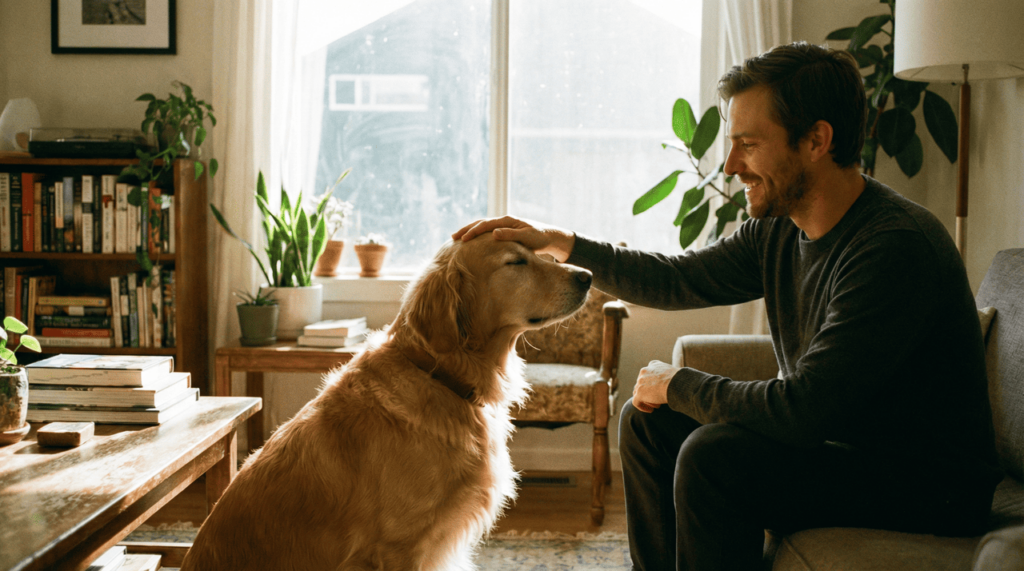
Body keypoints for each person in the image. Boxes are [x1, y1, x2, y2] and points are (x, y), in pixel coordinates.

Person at [453, 41, 1002, 570]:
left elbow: (804, 410)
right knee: (647, 422)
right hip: (842, 450)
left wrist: (680, 383)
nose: (731, 165)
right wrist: (562, 242)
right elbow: (676, 279)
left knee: (714, 458)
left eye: (749, 144)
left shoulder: (893, 247)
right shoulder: (781, 229)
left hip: (926, 486)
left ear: (816, 140)